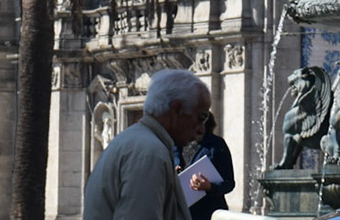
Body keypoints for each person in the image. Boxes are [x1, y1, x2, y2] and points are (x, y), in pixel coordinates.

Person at [82, 69, 208, 220]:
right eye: (200, 118)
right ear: (176, 109)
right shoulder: (149, 154)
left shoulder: (137, 142)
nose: (202, 129)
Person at [181, 113, 233, 220]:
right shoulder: (178, 145)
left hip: (209, 212)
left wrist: (210, 187)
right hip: (183, 212)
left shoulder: (217, 145)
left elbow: (229, 183)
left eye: (202, 123)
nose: (199, 127)